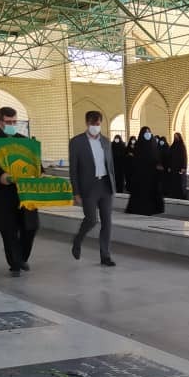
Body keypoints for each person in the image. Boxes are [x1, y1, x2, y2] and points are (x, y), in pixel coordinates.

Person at [0, 106, 38, 277]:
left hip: (25, 192)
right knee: (9, 230)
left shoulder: (23, 140)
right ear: (0, 122)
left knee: (30, 227)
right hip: (2, 193)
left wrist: (37, 172)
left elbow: (36, 163)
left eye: (14, 121)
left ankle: (22, 257)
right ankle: (15, 264)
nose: (11, 125)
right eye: (8, 122)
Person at [69, 110, 117, 267]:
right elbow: (73, 169)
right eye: (92, 124)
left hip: (105, 185)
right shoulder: (76, 142)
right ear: (86, 123)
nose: (95, 127)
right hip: (89, 187)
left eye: (97, 124)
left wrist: (114, 185)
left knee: (107, 222)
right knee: (91, 220)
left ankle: (105, 256)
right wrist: (76, 192)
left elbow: (110, 165)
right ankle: (78, 239)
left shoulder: (106, 141)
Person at [125, 126, 164, 216]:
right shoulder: (138, 145)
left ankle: (152, 209)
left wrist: (158, 166)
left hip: (151, 175)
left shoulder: (153, 144)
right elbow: (135, 161)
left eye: (148, 132)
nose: (147, 134)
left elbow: (157, 157)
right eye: (145, 132)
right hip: (140, 175)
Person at [164, 132, 188, 199]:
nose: (175, 138)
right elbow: (169, 157)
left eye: (177, 136)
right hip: (173, 168)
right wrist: (169, 166)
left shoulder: (182, 146)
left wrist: (184, 167)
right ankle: (173, 195)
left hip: (179, 168)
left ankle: (180, 195)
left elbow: (184, 157)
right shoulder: (172, 146)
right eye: (174, 136)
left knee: (179, 182)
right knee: (173, 182)